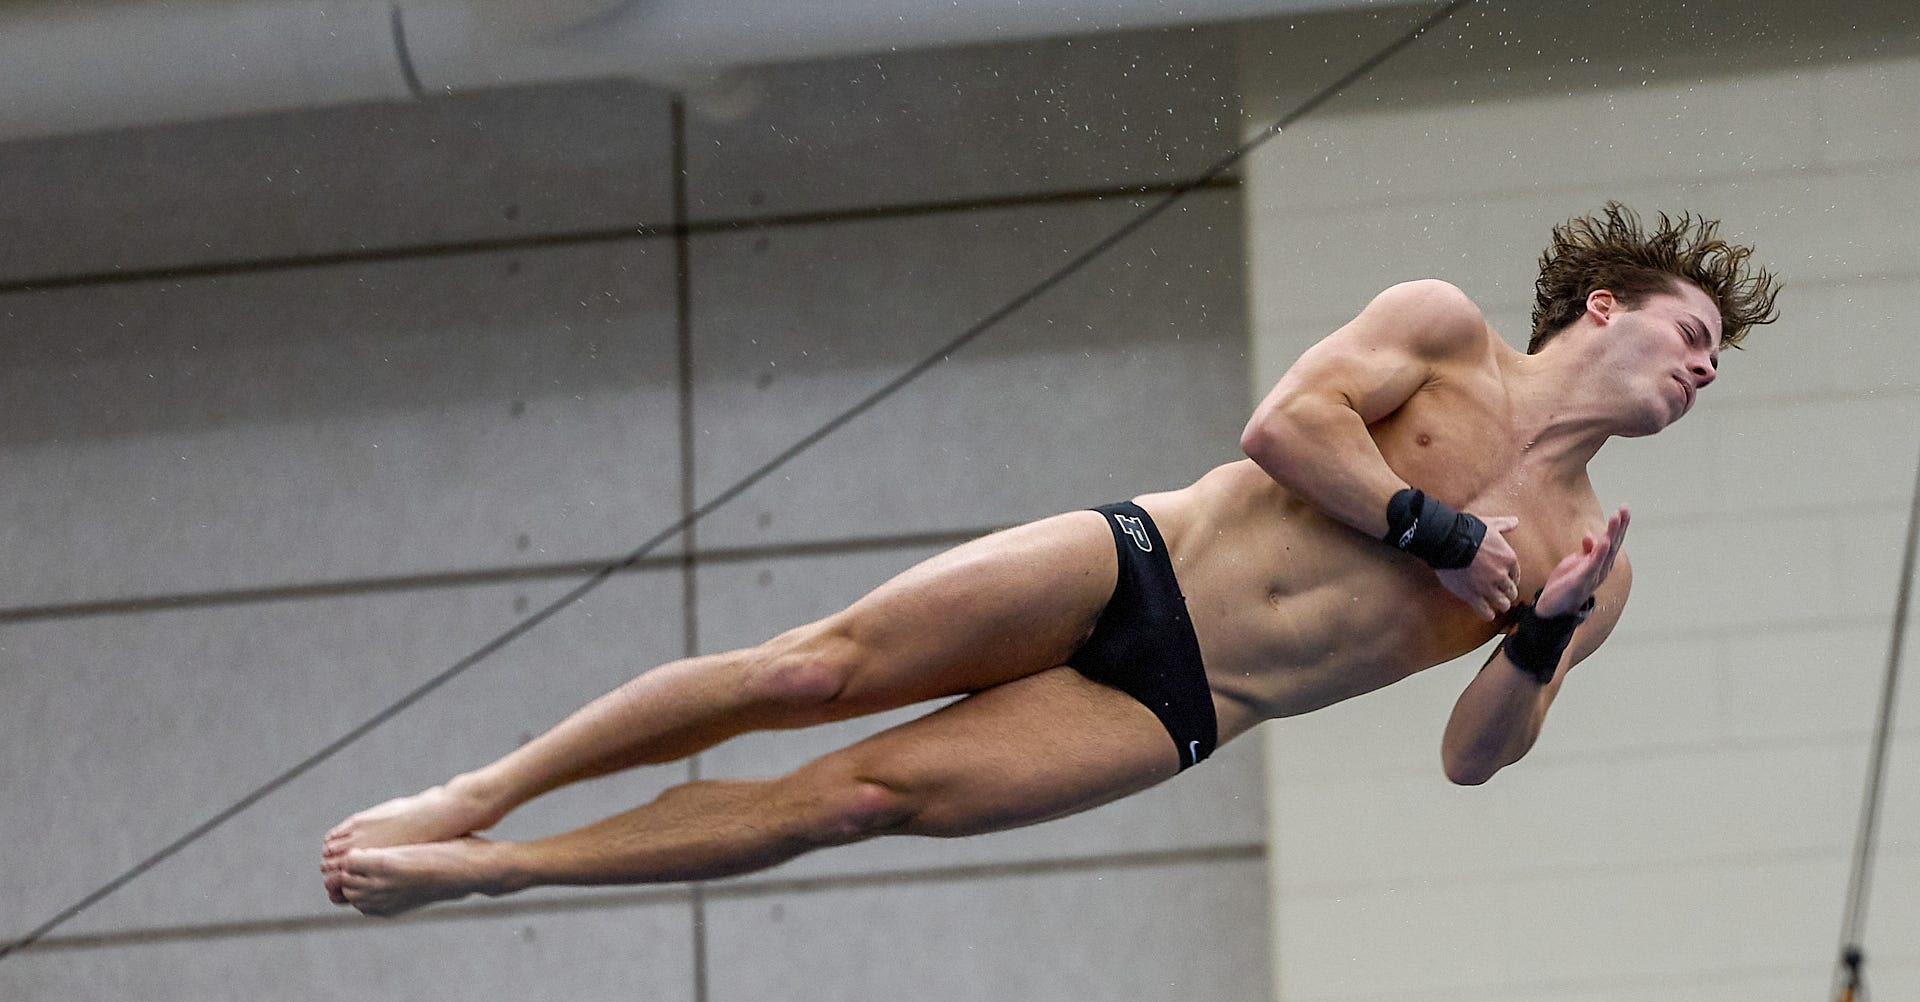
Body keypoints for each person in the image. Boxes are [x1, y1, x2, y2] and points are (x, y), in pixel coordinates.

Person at [321, 203, 1778, 916]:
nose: (1704, 372)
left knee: (857, 802)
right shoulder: (1444, 332)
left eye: (1719, 368)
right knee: (807, 672)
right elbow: (1285, 428)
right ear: (1602, 309)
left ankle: (498, 867)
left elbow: (1472, 761)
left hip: (1181, 707)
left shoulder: (1595, 559)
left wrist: (1535, 640)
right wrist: (1439, 531)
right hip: (1137, 562)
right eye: (1694, 338)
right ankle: (481, 786)